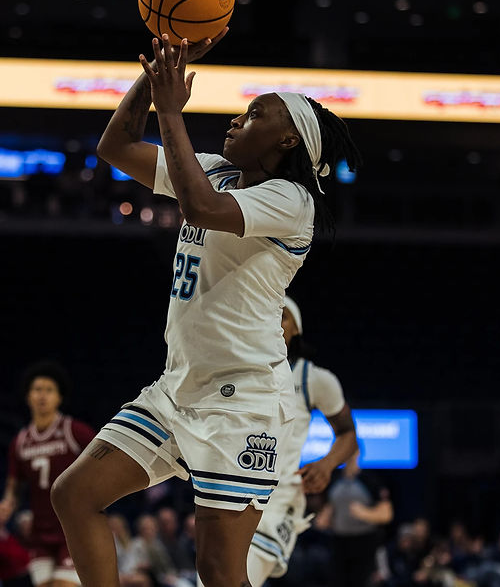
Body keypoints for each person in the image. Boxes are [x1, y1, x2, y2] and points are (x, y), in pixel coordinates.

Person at [51, 31, 362, 587]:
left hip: (241, 401)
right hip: (179, 386)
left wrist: (170, 110)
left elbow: (199, 204)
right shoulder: (216, 169)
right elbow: (116, 147)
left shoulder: (292, 203)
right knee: (74, 495)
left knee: (218, 570)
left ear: (288, 138)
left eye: (255, 114)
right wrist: (156, 75)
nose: (238, 120)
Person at [203, 295, 357, 587]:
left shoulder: (313, 378)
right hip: (230, 494)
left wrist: (326, 464)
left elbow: (348, 434)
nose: (273, 319)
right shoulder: (236, 370)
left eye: (283, 315)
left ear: (296, 330)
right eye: (267, 313)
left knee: (232, 579)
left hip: (278, 502)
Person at [1, 360, 96, 587]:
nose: (42, 396)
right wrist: (7, 504)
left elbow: (103, 463)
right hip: (39, 534)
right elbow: (13, 485)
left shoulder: (75, 431)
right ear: (28, 396)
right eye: (37, 390)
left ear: (59, 397)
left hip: (73, 529)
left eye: (49, 390)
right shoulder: (20, 442)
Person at [323, 452, 393, 587]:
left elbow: (387, 514)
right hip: (339, 542)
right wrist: (324, 518)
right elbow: (329, 509)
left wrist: (365, 513)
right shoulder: (335, 479)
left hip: (365, 542)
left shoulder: (369, 480)